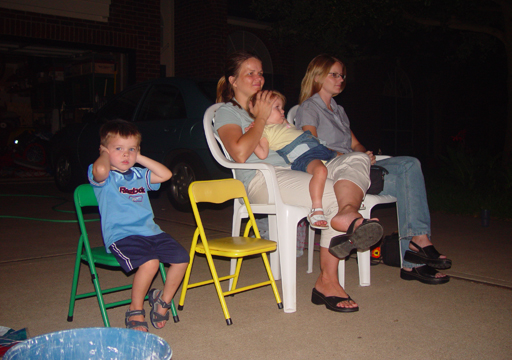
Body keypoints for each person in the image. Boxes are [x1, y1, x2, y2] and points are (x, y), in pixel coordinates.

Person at [214, 50, 384, 313]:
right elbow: (238, 153)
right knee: (331, 196)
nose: (258, 77)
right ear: (233, 81)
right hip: (263, 179)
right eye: (250, 73)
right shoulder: (228, 112)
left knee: (357, 160)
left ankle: (348, 213)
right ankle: (328, 280)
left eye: (260, 72)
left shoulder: (274, 108)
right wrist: (260, 117)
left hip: (298, 169)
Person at [296, 54, 452, 285]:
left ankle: (418, 241)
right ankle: (413, 261)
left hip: (355, 163)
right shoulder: (309, 108)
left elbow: (355, 143)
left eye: (343, 75)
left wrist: (364, 153)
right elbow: (313, 145)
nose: (341, 79)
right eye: (335, 74)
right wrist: (351, 156)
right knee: (403, 181)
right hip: (334, 168)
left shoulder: (338, 110)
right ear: (318, 76)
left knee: (410, 164)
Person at [88, 119, 189, 331]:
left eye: (130, 149)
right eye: (119, 149)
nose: (126, 154)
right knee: (151, 263)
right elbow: (99, 171)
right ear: (104, 150)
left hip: (151, 232)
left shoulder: (138, 174)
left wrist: (138, 156)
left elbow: (166, 175)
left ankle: (163, 302)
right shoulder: (105, 176)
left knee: (182, 258)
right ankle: (135, 308)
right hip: (122, 236)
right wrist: (105, 154)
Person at [247, 90, 337, 229]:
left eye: (282, 107)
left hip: (319, 149)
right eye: (277, 107)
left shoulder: (284, 123)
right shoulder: (264, 130)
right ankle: (317, 209)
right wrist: (251, 134)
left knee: (348, 160)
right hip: (305, 156)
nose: (282, 110)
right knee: (320, 171)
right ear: (262, 111)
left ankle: (353, 199)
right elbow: (262, 153)